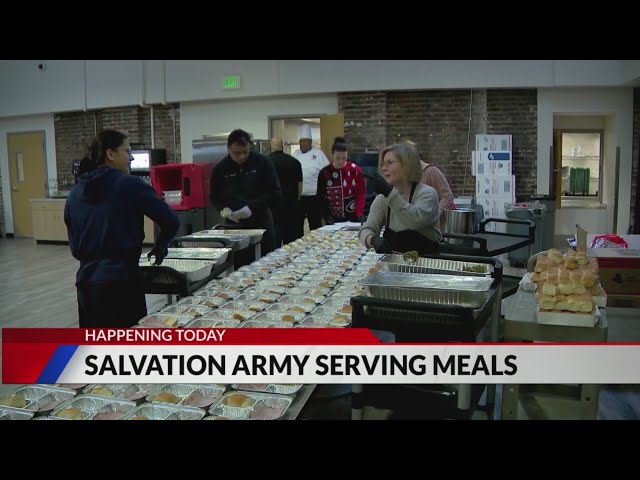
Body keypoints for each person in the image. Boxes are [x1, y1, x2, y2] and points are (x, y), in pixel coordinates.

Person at [64, 129, 180, 328]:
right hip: (122, 282)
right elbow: (170, 221)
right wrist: (161, 246)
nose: (132, 157)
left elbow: (74, 245)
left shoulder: (75, 193)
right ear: (110, 154)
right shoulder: (129, 185)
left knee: (95, 347)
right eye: (127, 151)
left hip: (86, 284)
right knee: (127, 347)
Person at [359, 142, 442, 255]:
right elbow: (367, 229)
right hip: (394, 265)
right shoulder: (383, 198)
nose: (383, 168)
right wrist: (372, 239)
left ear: (407, 165)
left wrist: (389, 194)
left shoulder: (427, 194)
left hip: (426, 264)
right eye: (382, 164)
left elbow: (414, 221)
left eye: (390, 163)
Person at [209, 129, 281, 255]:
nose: (241, 156)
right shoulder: (221, 169)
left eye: (245, 152)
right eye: (236, 153)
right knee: (240, 265)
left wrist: (251, 207)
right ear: (228, 149)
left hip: (261, 222)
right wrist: (224, 209)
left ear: (250, 147)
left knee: (267, 261)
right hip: (235, 227)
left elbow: (275, 193)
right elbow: (215, 197)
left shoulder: (262, 163)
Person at [316, 136, 366, 224]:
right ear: (332, 155)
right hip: (333, 219)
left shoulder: (355, 171)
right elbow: (321, 198)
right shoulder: (324, 173)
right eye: (338, 158)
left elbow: (360, 194)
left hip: (353, 218)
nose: (341, 161)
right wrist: (326, 216)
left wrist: (359, 213)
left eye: (344, 158)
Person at [292, 124, 329, 231]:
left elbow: (327, 172)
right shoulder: (295, 154)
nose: (302, 144)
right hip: (299, 197)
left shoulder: (318, 154)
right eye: (301, 141)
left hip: (314, 197)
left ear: (310, 142)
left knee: (314, 223)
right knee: (297, 224)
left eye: (304, 141)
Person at [268, 137, 303, 246]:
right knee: (291, 241)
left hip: (273, 206)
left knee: (275, 240)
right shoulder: (294, 162)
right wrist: (297, 198)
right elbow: (300, 185)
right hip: (291, 205)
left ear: (271, 147)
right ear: (282, 146)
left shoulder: (265, 162)